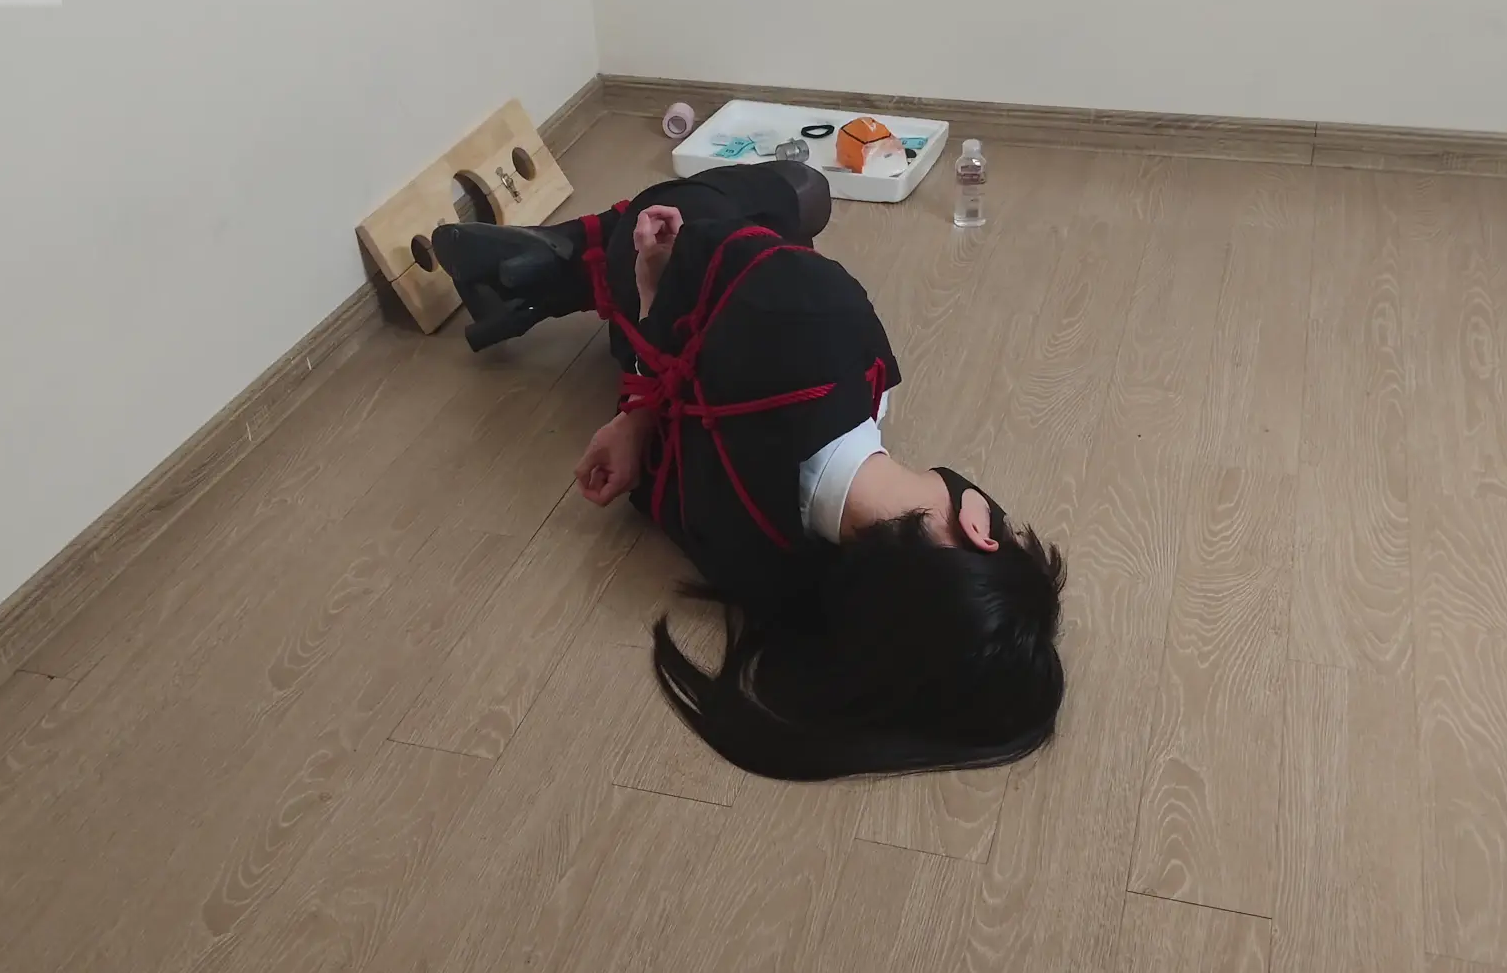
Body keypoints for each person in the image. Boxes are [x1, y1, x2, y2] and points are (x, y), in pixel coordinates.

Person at [432, 160, 1066, 781]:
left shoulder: (831, 320)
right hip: (646, 352)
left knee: (801, 190)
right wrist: (637, 413)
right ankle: (552, 276)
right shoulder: (756, 568)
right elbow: (664, 444)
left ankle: (575, 250)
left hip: (656, 267)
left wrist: (656, 303)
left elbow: (694, 250)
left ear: (981, 527)